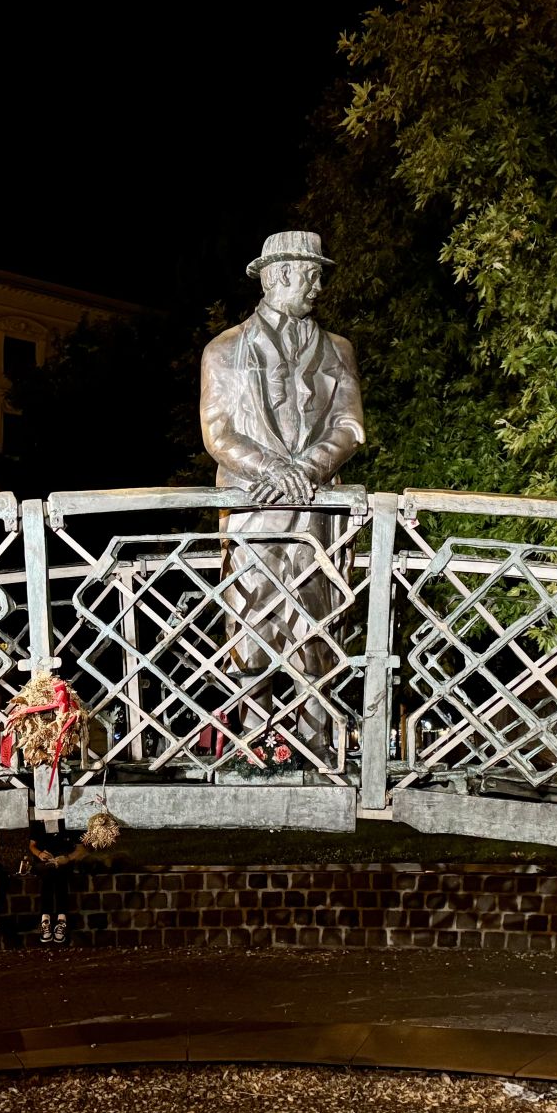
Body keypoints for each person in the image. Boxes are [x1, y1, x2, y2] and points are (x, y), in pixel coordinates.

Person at [199, 230, 365, 759]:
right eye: (311, 275)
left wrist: (308, 469)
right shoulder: (225, 349)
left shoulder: (338, 349)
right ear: (279, 275)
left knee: (316, 626)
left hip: (316, 512)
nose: (318, 287)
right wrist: (273, 468)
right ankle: (253, 745)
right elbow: (218, 432)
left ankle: (316, 748)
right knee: (251, 623)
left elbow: (350, 425)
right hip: (253, 509)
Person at [28, 819, 87, 945]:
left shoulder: (70, 821)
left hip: (64, 860)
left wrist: (67, 858)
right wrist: (40, 854)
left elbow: (81, 849)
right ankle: (45, 921)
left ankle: (61, 921)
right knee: (48, 873)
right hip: (44, 862)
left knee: (60, 874)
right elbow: (32, 845)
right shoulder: (39, 822)